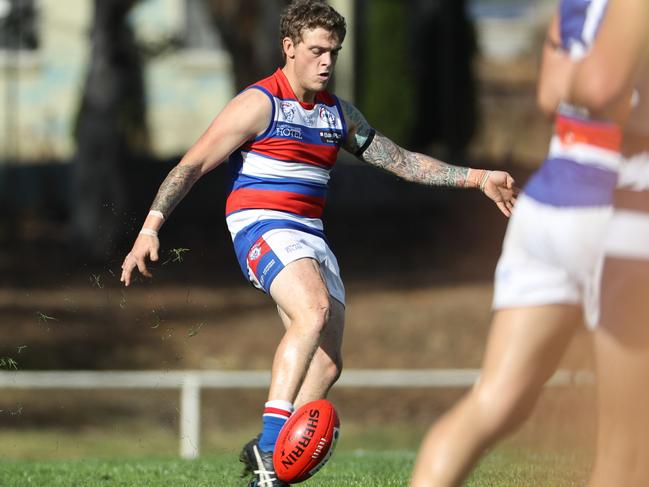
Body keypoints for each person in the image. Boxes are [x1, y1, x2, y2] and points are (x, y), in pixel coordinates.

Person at [118, 1, 516, 486]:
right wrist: (150, 227)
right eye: (317, 50)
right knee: (312, 311)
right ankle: (269, 449)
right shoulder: (259, 103)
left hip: (310, 234)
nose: (328, 61)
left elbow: (401, 161)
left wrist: (476, 177)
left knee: (327, 363)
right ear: (289, 48)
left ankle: (274, 464)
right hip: (261, 225)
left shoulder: (338, 115)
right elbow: (192, 165)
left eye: (335, 51)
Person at [410, 1, 627, 485]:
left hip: (547, 203)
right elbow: (600, 85)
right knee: (628, 445)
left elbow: (552, 91)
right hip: (611, 210)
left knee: (494, 401)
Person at [566, 0, 649, 484]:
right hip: (629, 217)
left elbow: (588, 86)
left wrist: (572, 75)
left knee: (622, 448)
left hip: (627, 213)